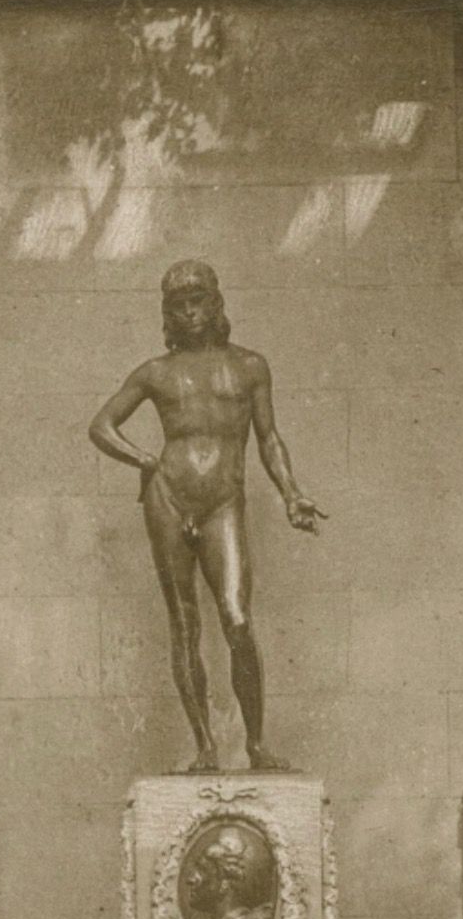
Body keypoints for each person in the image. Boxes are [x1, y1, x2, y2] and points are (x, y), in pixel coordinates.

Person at [87, 259, 326, 773]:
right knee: (184, 623)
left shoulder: (250, 366)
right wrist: (146, 460)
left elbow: (268, 438)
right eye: (179, 305)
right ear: (169, 314)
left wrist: (291, 493)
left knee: (237, 619)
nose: (190, 312)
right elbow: (101, 426)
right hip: (169, 498)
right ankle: (205, 748)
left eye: (198, 301)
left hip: (223, 500)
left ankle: (256, 745)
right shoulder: (156, 372)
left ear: (216, 304)